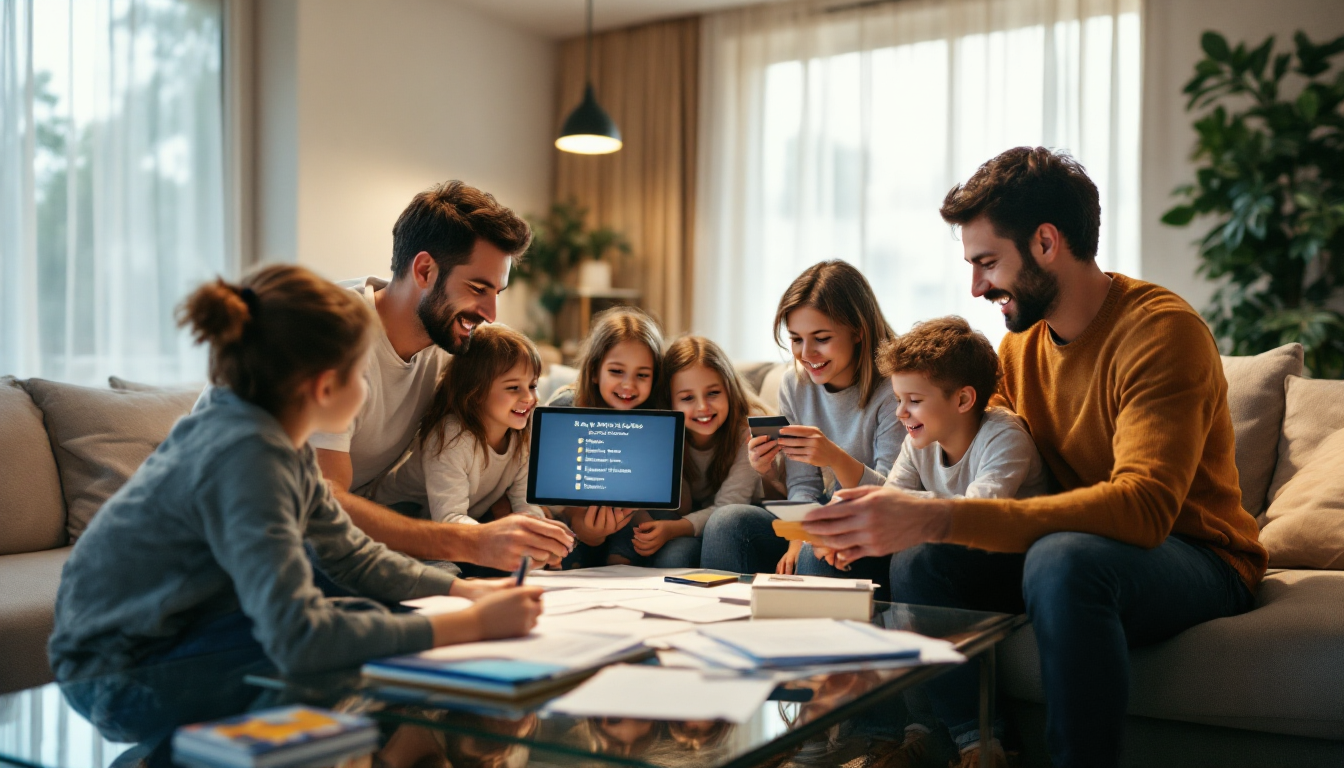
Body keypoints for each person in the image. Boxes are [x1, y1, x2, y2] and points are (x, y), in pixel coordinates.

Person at [801, 147, 1267, 768]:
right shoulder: (1021, 350)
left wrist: (934, 516)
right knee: (917, 558)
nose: (976, 286)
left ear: (1046, 242)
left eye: (987, 262)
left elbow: (1146, 509)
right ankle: (964, 743)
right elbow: (962, 447)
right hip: (1068, 545)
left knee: (1061, 558)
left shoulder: (1160, 331)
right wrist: (869, 524)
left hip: (1198, 556)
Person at [49, 266, 544, 744]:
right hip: (119, 674)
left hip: (176, 637)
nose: (367, 389)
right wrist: (470, 625)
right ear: (325, 386)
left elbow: (351, 554)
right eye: (361, 375)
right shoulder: (246, 457)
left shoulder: (272, 438)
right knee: (336, 639)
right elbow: (298, 636)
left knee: (356, 611)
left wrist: (464, 593)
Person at [309, 181, 572, 572]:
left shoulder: (444, 339)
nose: (490, 313)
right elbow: (324, 504)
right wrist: (470, 542)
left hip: (362, 530)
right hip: (281, 537)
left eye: (497, 292)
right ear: (425, 270)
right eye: (478, 288)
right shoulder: (331, 334)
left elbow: (499, 420)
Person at [700, 261, 904, 584]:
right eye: (796, 339)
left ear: (858, 332)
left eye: (821, 338)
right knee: (726, 523)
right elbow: (804, 486)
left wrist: (834, 458)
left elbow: (891, 498)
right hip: (820, 519)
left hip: (873, 528)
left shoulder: (895, 388)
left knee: (816, 551)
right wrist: (796, 535)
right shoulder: (795, 385)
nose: (806, 354)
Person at [369, 324, 553, 575]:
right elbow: (449, 519)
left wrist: (542, 539)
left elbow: (525, 504)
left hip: (460, 523)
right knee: (448, 571)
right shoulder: (453, 438)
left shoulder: (524, 433)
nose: (529, 398)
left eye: (532, 385)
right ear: (476, 392)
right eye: (513, 388)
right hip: (401, 519)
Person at [605, 335, 769, 568]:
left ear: (729, 390)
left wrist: (673, 529)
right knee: (670, 553)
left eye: (713, 393)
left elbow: (730, 505)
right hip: (683, 520)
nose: (703, 407)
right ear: (670, 401)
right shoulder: (661, 429)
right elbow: (665, 502)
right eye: (687, 398)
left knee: (683, 549)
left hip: (730, 525)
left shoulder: (748, 431)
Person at [546, 306, 665, 566]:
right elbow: (553, 495)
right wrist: (586, 529)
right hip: (573, 525)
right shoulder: (566, 409)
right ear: (594, 372)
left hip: (629, 527)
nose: (628, 385)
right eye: (616, 371)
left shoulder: (658, 421)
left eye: (642, 375)